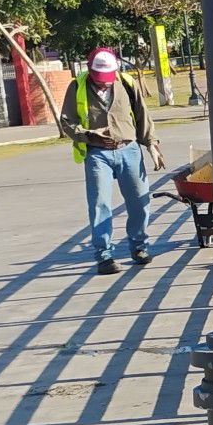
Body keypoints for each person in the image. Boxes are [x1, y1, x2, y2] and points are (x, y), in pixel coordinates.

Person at [59, 47, 166, 274]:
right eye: (99, 80)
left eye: (107, 79)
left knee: (140, 202)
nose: (104, 84)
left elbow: (142, 116)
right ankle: (104, 256)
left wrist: (152, 146)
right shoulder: (77, 87)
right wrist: (85, 134)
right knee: (100, 205)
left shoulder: (126, 83)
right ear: (90, 71)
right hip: (98, 154)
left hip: (129, 150)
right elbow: (67, 121)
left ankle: (139, 247)